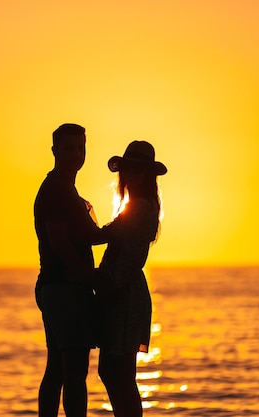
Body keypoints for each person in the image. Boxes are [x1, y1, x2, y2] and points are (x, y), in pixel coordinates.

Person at [94, 140, 167, 417]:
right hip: (122, 290)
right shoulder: (140, 205)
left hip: (123, 292)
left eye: (139, 169)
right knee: (117, 372)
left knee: (118, 373)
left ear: (148, 175)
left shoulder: (139, 207)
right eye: (129, 169)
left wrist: (105, 282)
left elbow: (114, 243)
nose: (133, 174)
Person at [34, 123, 101, 417]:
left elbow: (92, 235)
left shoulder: (67, 190)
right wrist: (89, 275)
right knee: (73, 371)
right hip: (64, 289)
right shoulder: (56, 190)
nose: (76, 154)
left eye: (80, 147)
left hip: (60, 288)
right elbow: (58, 242)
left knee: (59, 369)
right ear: (54, 151)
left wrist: (121, 228)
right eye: (69, 148)